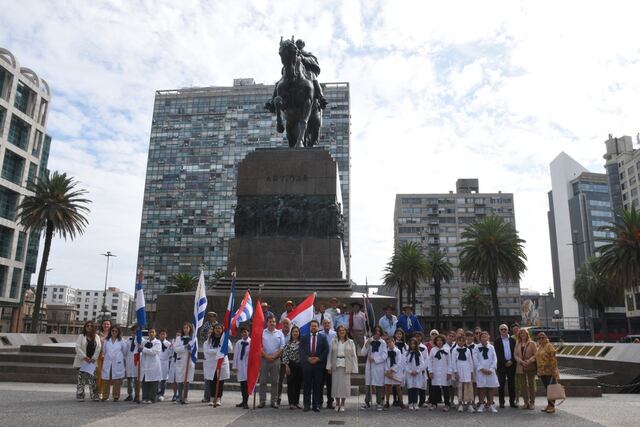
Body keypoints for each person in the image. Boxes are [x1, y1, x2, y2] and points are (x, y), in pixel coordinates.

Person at [326, 325, 358, 412]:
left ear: (346, 331)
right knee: (336, 385)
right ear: (337, 332)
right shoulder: (333, 341)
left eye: (343, 330)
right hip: (335, 365)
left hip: (346, 365)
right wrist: (328, 366)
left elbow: (354, 356)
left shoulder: (350, 342)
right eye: (340, 330)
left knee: (344, 386)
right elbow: (330, 354)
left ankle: (343, 404)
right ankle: (337, 403)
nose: (341, 332)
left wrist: (354, 368)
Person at [300, 320, 329, 412]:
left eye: (315, 326)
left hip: (318, 366)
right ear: (310, 327)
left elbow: (326, 350)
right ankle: (306, 405)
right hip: (307, 365)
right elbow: (301, 350)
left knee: (317, 386)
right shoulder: (304, 337)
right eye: (312, 326)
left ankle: (316, 405)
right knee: (307, 386)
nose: (313, 328)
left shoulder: (323, 337)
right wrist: (307, 358)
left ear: (318, 327)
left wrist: (318, 359)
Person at [259, 316, 285, 408]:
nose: (272, 323)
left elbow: (282, 347)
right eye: (270, 321)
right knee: (262, 381)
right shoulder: (262, 333)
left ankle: (274, 401)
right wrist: (266, 356)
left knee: (275, 381)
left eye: (274, 321)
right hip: (264, 360)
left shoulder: (280, 333)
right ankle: (262, 401)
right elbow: (259, 347)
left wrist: (274, 356)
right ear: (267, 322)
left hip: (276, 360)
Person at [360, 325, 387, 411]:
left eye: (378, 331)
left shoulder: (383, 342)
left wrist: (375, 359)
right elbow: (363, 353)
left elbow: (384, 355)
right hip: (370, 366)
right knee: (368, 385)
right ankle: (367, 402)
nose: (377, 333)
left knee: (378, 385)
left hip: (378, 366)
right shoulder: (369, 341)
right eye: (375, 331)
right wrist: (366, 344)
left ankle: (379, 402)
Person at [74, 321, 102, 401]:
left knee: (93, 379)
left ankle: (94, 395)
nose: (89, 327)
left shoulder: (96, 336)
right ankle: (80, 395)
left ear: (93, 327)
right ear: (85, 327)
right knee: (81, 379)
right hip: (83, 360)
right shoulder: (81, 336)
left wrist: (93, 358)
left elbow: (99, 348)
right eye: (87, 326)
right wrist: (85, 357)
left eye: (91, 326)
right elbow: (77, 347)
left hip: (92, 361)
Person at [203, 323, 229, 407]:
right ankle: (212, 397)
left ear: (222, 330)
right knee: (212, 381)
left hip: (221, 363)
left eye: (219, 328)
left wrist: (219, 350)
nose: (218, 330)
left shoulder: (225, 339)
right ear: (214, 330)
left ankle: (218, 398)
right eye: (216, 328)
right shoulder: (209, 340)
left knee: (220, 381)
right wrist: (218, 351)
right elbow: (208, 351)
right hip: (212, 363)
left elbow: (229, 349)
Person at [474, 331, 499, 413]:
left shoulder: (491, 347)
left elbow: (494, 359)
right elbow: (475, 359)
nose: (484, 338)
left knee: (491, 388)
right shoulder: (476, 347)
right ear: (480, 338)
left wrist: (491, 369)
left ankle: (491, 404)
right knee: (482, 388)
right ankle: (481, 404)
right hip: (481, 371)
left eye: (486, 336)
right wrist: (481, 369)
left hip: (490, 371)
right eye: (482, 337)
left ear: (488, 337)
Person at [101, 324, 127, 401]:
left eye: (116, 331)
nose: (114, 332)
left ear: (118, 332)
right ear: (110, 331)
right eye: (113, 330)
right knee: (106, 380)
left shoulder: (122, 340)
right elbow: (104, 351)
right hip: (108, 361)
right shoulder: (106, 340)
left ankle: (116, 396)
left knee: (117, 380)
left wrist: (118, 357)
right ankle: (105, 396)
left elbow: (124, 351)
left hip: (117, 362)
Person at [535, 332, 560, 414]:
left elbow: (553, 359)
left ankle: (552, 406)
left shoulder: (549, 346)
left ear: (546, 338)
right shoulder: (540, 347)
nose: (541, 339)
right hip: (542, 372)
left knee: (551, 389)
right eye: (539, 338)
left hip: (550, 371)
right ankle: (549, 404)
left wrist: (553, 371)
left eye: (543, 338)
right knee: (547, 389)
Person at [494, 323, 517, 409]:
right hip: (501, 366)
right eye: (502, 329)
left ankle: (512, 402)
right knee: (501, 385)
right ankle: (501, 402)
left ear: (508, 330)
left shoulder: (513, 340)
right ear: (499, 331)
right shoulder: (497, 341)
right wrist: (505, 362)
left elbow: (516, 353)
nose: (503, 331)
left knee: (512, 384)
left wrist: (511, 361)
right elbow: (497, 354)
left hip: (512, 365)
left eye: (505, 329)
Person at [451, 333, 475, 413]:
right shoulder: (454, 350)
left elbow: (470, 361)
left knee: (468, 388)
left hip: (467, 370)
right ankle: (460, 404)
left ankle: (469, 404)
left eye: (463, 341)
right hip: (459, 370)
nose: (461, 342)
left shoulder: (467, 350)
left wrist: (471, 372)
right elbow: (453, 362)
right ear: (457, 341)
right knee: (460, 388)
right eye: (459, 341)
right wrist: (455, 372)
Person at [514, 328, 537, 410]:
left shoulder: (532, 343)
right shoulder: (518, 343)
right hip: (521, 366)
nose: (523, 335)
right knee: (523, 385)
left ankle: (532, 402)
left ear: (527, 334)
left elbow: (536, 354)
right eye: (521, 333)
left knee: (531, 385)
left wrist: (529, 361)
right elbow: (515, 355)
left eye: (524, 333)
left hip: (530, 366)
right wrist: (521, 361)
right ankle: (526, 402)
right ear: (519, 335)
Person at [139, 327, 162, 404]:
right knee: (145, 382)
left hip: (153, 365)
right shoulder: (144, 342)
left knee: (153, 383)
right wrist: (141, 349)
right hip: (145, 364)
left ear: (155, 333)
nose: (151, 334)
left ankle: (152, 398)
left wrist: (143, 349)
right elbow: (141, 351)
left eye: (152, 332)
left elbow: (154, 352)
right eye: (149, 332)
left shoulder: (158, 342)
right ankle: (145, 397)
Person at [281, 325, 302, 409]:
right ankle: (291, 403)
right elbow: (285, 355)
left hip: (300, 366)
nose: (295, 333)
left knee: (298, 384)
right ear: (291, 333)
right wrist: (286, 366)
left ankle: (297, 402)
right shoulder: (288, 344)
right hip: (290, 365)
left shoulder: (302, 343)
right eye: (294, 332)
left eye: (297, 331)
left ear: (299, 333)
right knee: (290, 384)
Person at [428, 334, 450, 411]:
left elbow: (449, 362)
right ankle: (434, 404)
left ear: (443, 341)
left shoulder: (447, 350)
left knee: (445, 388)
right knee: (435, 388)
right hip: (435, 371)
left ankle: (447, 404)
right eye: (437, 340)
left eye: (441, 340)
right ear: (435, 341)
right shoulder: (433, 350)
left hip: (444, 372)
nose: (439, 342)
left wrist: (449, 372)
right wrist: (430, 371)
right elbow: (429, 361)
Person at [174, 322, 195, 404]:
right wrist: (185, 346)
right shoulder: (179, 338)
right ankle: (179, 397)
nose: (186, 329)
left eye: (187, 328)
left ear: (190, 329)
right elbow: (176, 349)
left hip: (189, 361)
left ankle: (185, 397)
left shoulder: (193, 339)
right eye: (184, 328)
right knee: (180, 380)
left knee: (187, 380)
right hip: (180, 361)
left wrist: (191, 349)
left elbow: (195, 350)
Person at [404, 337, 426, 411]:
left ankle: (415, 403)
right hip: (409, 373)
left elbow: (422, 364)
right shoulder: (407, 353)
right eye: (411, 344)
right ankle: (410, 403)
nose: (412, 345)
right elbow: (405, 364)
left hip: (417, 373)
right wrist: (410, 371)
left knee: (416, 388)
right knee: (410, 388)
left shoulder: (419, 353)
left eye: (414, 344)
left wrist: (417, 371)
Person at [319, 318, 336, 409]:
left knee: (330, 383)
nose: (327, 324)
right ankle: (320, 401)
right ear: (322, 324)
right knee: (320, 383)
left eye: (328, 323)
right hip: (321, 361)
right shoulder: (319, 334)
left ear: (330, 324)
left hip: (331, 361)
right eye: (325, 323)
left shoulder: (334, 334)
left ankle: (330, 402)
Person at [232, 326, 251, 409]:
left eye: (246, 331)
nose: (244, 333)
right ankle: (243, 401)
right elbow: (236, 355)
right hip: (240, 366)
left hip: (248, 367)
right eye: (243, 332)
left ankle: (246, 402)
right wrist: (234, 366)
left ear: (248, 332)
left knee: (247, 385)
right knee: (242, 385)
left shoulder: (252, 342)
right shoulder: (238, 343)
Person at [384, 337, 405, 409]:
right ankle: (387, 402)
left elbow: (399, 362)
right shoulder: (386, 351)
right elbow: (385, 362)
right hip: (388, 371)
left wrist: (392, 370)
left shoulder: (398, 351)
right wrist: (388, 370)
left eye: (390, 342)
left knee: (398, 387)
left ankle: (401, 402)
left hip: (396, 371)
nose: (389, 344)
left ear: (394, 342)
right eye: (388, 343)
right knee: (388, 387)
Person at [276, 318, 292, 406]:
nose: (286, 325)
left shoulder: (293, 333)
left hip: (290, 361)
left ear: (290, 324)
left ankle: (292, 399)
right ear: (282, 324)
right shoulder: (278, 333)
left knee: (291, 380)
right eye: (284, 323)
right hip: (279, 359)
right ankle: (277, 397)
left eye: (287, 323)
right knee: (279, 380)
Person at [96, 319, 111, 400]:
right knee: (99, 375)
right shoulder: (98, 334)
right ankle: (99, 393)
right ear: (102, 325)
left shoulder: (112, 334)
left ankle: (105, 393)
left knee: (106, 376)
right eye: (104, 324)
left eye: (108, 324)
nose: (106, 325)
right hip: (99, 357)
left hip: (108, 358)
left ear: (110, 325)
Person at [124, 324, 139, 402]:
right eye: (133, 332)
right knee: (129, 379)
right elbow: (125, 351)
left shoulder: (141, 340)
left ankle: (137, 395)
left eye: (136, 332)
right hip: (129, 361)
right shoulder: (127, 340)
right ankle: (130, 394)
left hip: (137, 362)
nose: (134, 334)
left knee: (137, 379)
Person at [414, 332, 429, 407]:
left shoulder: (424, 347)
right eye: (416, 336)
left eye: (419, 336)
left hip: (422, 369)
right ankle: (414, 401)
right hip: (414, 370)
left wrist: (422, 368)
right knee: (415, 385)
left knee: (422, 386)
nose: (417, 338)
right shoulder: (411, 347)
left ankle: (422, 401)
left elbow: (426, 359)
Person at [157, 329, 171, 401]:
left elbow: (170, 353)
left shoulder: (168, 344)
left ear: (166, 335)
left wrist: (171, 347)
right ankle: (156, 393)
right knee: (156, 379)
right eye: (161, 334)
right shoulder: (156, 343)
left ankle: (161, 393)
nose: (162, 335)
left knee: (163, 380)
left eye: (164, 334)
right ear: (159, 335)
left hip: (165, 362)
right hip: (157, 362)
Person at [167, 331, 181, 402]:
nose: (177, 337)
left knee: (179, 379)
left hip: (179, 362)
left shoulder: (181, 343)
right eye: (176, 335)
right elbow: (170, 353)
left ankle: (180, 394)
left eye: (179, 335)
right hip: (173, 361)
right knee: (173, 380)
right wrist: (170, 347)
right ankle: (174, 394)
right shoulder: (173, 342)